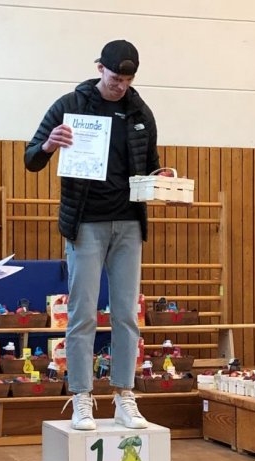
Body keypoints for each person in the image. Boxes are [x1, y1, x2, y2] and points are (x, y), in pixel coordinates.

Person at [24, 40, 160, 430]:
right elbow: (31, 158)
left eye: (128, 80)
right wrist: (49, 144)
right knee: (82, 313)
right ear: (100, 68)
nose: (121, 85)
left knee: (126, 314)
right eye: (116, 77)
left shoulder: (140, 112)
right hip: (85, 224)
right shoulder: (70, 105)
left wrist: (163, 179)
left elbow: (151, 166)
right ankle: (82, 396)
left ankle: (124, 394)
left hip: (129, 223)